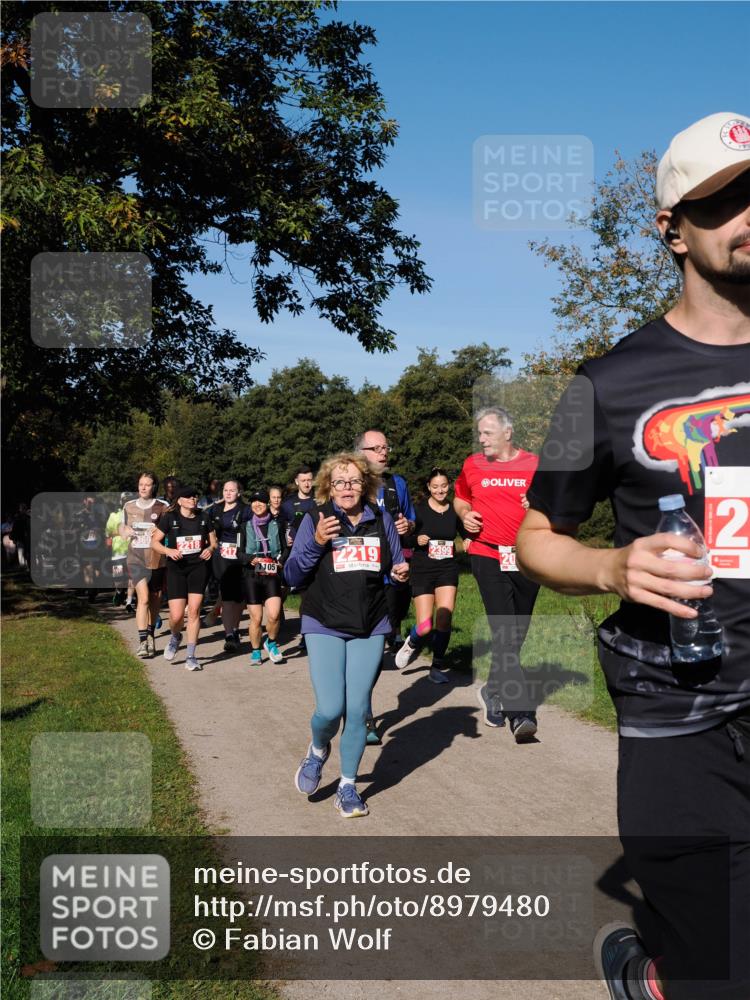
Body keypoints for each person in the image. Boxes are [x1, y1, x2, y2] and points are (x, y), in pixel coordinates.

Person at [516, 112, 750, 1000]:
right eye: (724, 200)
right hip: (679, 710)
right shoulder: (605, 384)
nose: (748, 213)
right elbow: (536, 538)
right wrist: (613, 568)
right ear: (672, 230)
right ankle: (648, 976)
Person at [284, 452, 408, 818]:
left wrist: (400, 574)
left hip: (370, 623)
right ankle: (318, 750)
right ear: (328, 487)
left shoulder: (380, 518)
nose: (347, 488)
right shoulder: (315, 519)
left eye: (354, 481)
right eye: (339, 482)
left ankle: (348, 786)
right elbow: (292, 576)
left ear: (365, 483)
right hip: (323, 621)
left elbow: (395, 565)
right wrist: (317, 542)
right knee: (330, 709)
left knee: (356, 711)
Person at [454, 406, 540, 742]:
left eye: (487, 432)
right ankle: (520, 713)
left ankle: (493, 689)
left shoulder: (534, 464)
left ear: (507, 433)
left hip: (526, 557)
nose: (481, 438)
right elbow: (461, 498)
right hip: (487, 553)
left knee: (517, 632)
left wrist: (536, 506)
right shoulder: (472, 465)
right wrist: (465, 515)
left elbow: (556, 505)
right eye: (479, 433)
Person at [395, 468, 462, 684]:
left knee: (444, 618)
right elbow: (406, 540)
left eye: (444, 486)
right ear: (428, 488)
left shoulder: (454, 511)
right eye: (435, 487)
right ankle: (412, 643)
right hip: (423, 568)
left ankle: (438, 665)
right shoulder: (419, 511)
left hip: (447, 568)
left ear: (448, 486)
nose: (440, 490)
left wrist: (469, 540)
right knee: (425, 625)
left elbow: (466, 532)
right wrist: (416, 541)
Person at [151, 486, 216, 671]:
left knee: (194, 612)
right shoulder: (169, 518)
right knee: (177, 616)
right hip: (176, 569)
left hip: (198, 567)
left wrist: (209, 549)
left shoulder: (204, 518)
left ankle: (191, 656)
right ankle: (175, 636)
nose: (193, 499)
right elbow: (154, 542)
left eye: (195, 497)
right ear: (179, 501)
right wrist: (168, 551)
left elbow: (214, 542)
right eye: (188, 497)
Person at [119, 473, 169, 657]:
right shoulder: (129, 506)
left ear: (154, 486)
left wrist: (160, 531)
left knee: (156, 599)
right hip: (135, 557)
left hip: (156, 558)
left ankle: (150, 636)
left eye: (147, 485)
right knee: (144, 598)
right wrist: (125, 532)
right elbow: (121, 527)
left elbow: (170, 528)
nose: (143, 488)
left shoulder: (163, 507)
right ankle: (142, 642)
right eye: (141, 484)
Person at [240, 488, 285, 665]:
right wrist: (251, 559)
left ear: (267, 503)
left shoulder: (277, 523)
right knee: (256, 618)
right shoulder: (245, 526)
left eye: (260, 501)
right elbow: (239, 553)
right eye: (253, 501)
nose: (257, 504)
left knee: (274, 615)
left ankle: (271, 642)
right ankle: (256, 651)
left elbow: (286, 548)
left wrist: (281, 560)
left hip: (272, 572)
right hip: (252, 574)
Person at [206, 480, 251, 650]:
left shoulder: (245, 510)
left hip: (239, 556)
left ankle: (236, 629)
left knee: (239, 598)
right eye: (225, 490)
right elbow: (207, 529)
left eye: (232, 490)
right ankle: (229, 634)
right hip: (221, 557)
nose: (228, 493)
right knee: (226, 597)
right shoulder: (214, 510)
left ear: (239, 493)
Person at [278, 465, 317, 549]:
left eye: (309, 480)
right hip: (296, 550)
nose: (306, 484)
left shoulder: (321, 501)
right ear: (297, 481)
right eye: (303, 481)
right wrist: (285, 537)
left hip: (317, 548)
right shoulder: (287, 504)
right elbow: (280, 527)